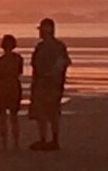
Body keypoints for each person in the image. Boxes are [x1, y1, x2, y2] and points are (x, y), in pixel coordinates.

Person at [30, 18, 72, 151]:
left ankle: (52, 140)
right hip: (46, 83)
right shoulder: (42, 46)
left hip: (51, 84)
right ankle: (46, 139)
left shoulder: (56, 47)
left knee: (50, 112)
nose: (40, 32)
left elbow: (64, 63)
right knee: (44, 112)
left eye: (41, 29)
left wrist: (52, 75)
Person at [0, 35, 23, 150]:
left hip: (3, 87)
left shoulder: (0, 61)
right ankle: (15, 143)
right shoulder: (18, 59)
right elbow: (19, 72)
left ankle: (5, 144)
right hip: (14, 87)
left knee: (3, 117)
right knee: (14, 117)